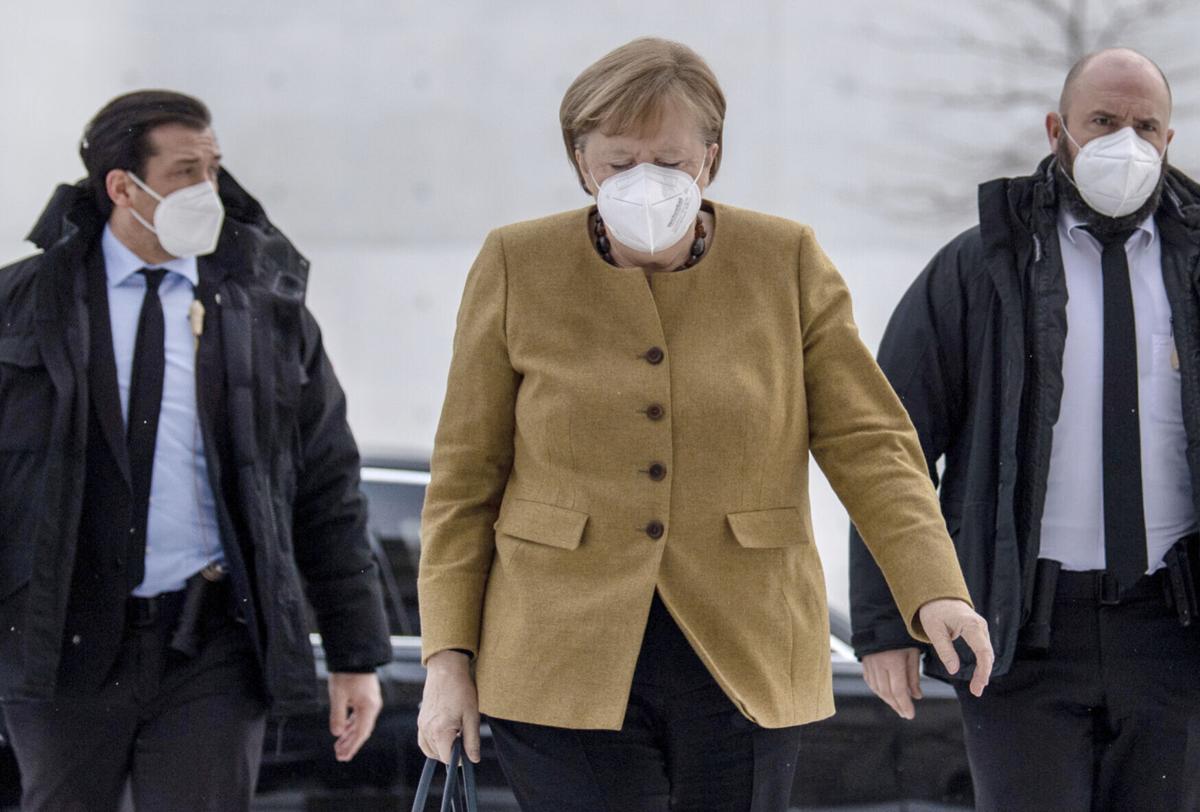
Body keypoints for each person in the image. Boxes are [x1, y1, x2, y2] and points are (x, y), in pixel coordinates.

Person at [417, 37, 993, 811]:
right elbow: (464, 480)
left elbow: (870, 443)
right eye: (619, 162)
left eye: (670, 160)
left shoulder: (786, 260)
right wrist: (447, 660)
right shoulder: (516, 263)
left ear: (711, 160)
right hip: (555, 652)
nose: (644, 180)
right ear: (582, 164)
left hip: (745, 648)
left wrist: (934, 591)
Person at [0, 90, 392, 811]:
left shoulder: (265, 308)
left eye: (213, 168)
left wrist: (355, 655)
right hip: (60, 641)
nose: (208, 189)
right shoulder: (23, 305)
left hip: (213, 642)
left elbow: (327, 486)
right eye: (185, 172)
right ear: (123, 187)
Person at [849, 48, 1200, 811]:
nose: (1126, 143)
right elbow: (887, 445)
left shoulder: (1195, 266)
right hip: (1017, 627)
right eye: (1102, 121)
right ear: (1056, 130)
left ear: (1169, 140)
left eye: (1146, 126)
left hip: (1173, 628)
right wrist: (886, 621)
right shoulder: (983, 266)